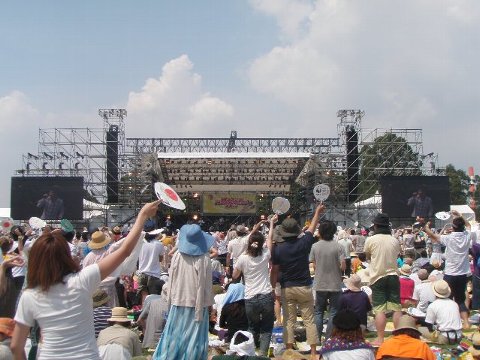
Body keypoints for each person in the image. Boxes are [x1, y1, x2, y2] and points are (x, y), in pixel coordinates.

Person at [10, 200, 161, 360]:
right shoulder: (82, 280)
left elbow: (15, 346)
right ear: (65, 256)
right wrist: (142, 216)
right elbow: (124, 251)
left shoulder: (30, 296)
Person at [271, 204, 326, 359]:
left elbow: (274, 270)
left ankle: (289, 351)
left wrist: (272, 285)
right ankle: (314, 352)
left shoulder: (279, 249)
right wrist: (317, 212)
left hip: (287, 287)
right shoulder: (304, 243)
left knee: (288, 320)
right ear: (296, 231)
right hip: (304, 286)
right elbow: (312, 227)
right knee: (309, 320)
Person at [153, 223, 214, 360]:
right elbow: (206, 284)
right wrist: (209, 303)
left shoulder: (177, 256)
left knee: (175, 333)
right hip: (197, 302)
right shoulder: (204, 258)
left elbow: (172, 279)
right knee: (194, 336)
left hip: (179, 298)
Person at [233, 217, 274, 356]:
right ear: (261, 244)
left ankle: (250, 354)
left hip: (250, 297)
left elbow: (234, 276)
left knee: (252, 327)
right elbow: (269, 241)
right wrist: (272, 224)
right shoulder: (265, 255)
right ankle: (262, 354)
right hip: (266, 295)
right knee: (267, 328)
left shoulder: (243, 258)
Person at [425, 213, 471, 328]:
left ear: (453, 227)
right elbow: (469, 225)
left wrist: (426, 227)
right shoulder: (466, 236)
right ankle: (466, 323)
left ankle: (447, 321)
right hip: (462, 273)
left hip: (450, 273)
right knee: (460, 299)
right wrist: (460, 215)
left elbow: (433, 236)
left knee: (446, 298)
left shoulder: (449, 238)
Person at [364, 213, 402, 345]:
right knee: (396, 307)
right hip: (393, 275)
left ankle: (380, 338)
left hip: (378, 276)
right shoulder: (394, 240)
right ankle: (398, 338)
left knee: (379, 309)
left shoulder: (371, 240)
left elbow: (368, 256)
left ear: (375, 226)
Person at [309, 220, 345, 341]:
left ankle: (317, 338)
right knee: (333, 312)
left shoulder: (315, 246)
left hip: (320, 282)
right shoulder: (338, 246)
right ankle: (329, 338)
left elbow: (314, 265)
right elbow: (343, 266)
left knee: (318, 311)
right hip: (335, 283)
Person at [418, 280, 463, 345]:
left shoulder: (433, 305)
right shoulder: (454, 303)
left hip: (445, 337)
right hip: (459, 336)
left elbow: (429, 326)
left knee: (419, 329)